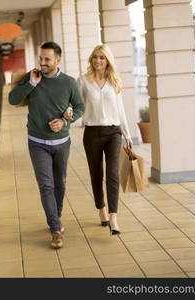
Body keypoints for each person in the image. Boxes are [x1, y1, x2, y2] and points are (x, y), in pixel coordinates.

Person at [9, 41, 85, 249]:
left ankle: (56, 216)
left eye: (47, 59)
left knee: (59, 183)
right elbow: (12, 99)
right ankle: (55, 229)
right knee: (46, 186)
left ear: (58, 59)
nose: (42, 62)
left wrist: (65, 121)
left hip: (62, 143)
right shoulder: (32, 78)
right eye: (41, 58)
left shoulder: (69, 83)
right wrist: (31, 84)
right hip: (37, 143)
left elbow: (80, 107)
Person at [75, 44, 132, 235]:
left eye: (102, 57)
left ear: (108, 60)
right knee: (96, 174)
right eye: (95, 57)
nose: (98, 61)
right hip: (92, 133)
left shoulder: (114, 81)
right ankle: (101, 209)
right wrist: (67, 117)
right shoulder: (83, 81)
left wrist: (127, 133)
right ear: (91, 60)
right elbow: (77, 107)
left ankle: (114, 218)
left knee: (113, 173)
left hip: (113, 133)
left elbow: (121, 109)